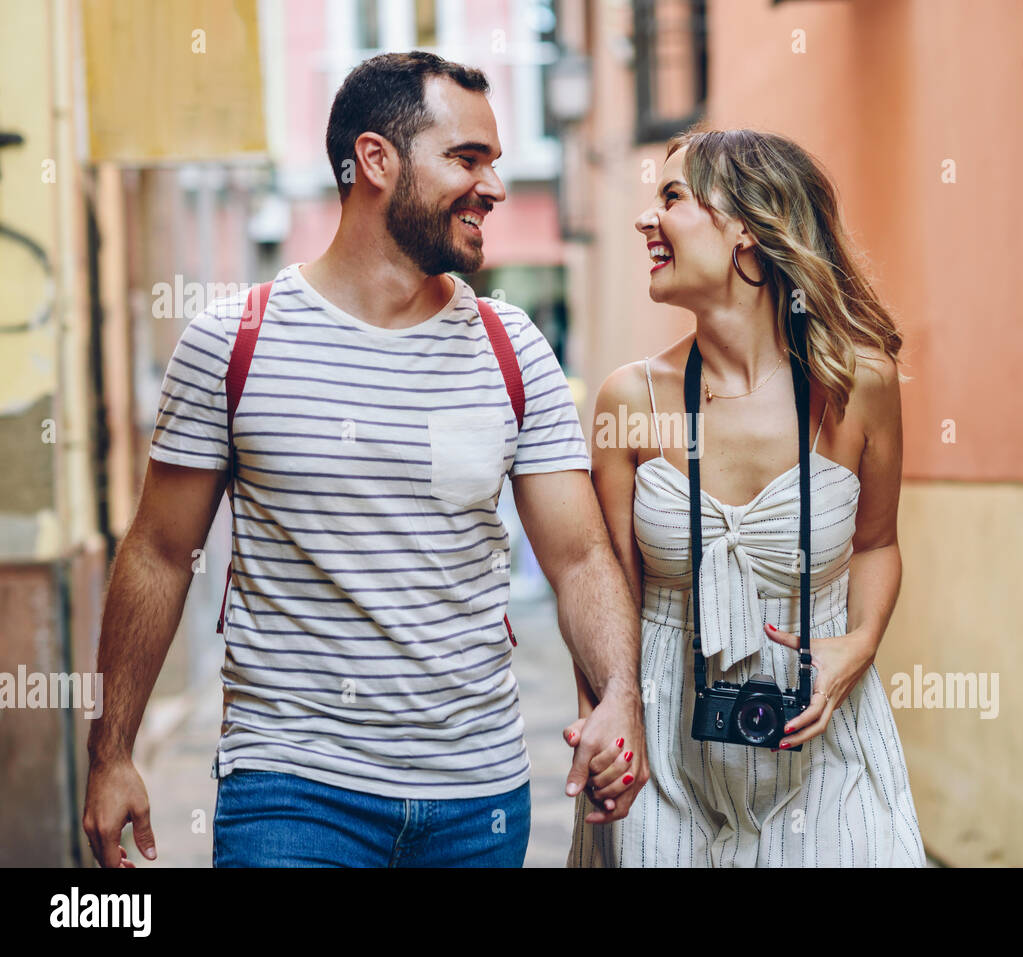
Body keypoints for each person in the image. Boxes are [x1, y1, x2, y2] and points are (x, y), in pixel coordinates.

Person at [81, 51, 647, 869]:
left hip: (477, 795)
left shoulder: (512, 348)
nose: (492, 186)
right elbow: (160, 553)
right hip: (291, 791)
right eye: (466, 159)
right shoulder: (233, 343)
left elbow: (583, 556)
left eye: (493, 161)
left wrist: (620, 696)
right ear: (376, 160)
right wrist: (112, 750)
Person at [564, 128, 926, 867]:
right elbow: (606, 595)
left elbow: (877, 544)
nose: (645, 220)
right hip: (663, 756)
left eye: (671, 198)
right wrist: (604, 719)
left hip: (825, 746)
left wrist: (856, 647)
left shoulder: (859, 384)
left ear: (747, 235)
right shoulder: (628, 398)